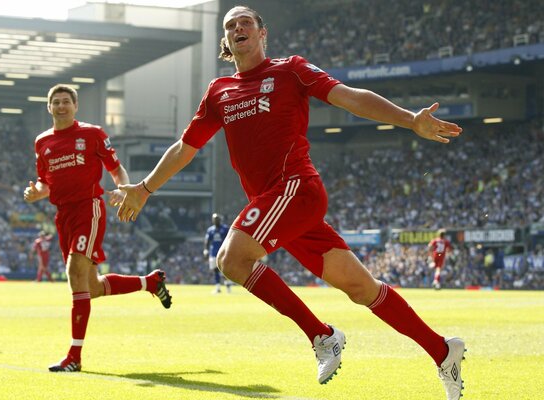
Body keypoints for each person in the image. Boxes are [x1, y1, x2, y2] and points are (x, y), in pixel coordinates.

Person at [117, 6, 465, 399]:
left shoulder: (290, 70)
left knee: (231, 259)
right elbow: (186, 147)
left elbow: (349, 97)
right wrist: (143, 188)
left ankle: (322, 336)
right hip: (276, 205)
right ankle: (442, 350)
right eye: (230, 25)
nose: (237, 27)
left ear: (262, 33)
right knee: (360, 288)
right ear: (227, 42)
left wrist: (409, 119)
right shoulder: (219, 92)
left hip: (295, 189)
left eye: (245, 21)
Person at [23, 84, 172, 373]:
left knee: (74, 271)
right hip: (62, 214)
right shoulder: (42, 142)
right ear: (49, 107)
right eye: (56, 102)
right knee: (90, 288)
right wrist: (35, 193)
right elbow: (45, 182)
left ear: (75, 106)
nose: (61, 106)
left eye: (66, 101)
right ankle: (150, 282)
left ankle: (74, 357)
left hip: (88, 209)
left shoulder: (92, 134)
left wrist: (122, 190)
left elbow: (116, 169)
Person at [204, 213, 232, 293]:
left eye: (217, 219)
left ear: (220, 219)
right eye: (214, 219)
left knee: (225, 270)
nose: (216, 220)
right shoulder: (210, 230)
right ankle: (218, 287)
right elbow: (207, 241)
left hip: (223, 252)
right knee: (215, 270)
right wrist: (205, 250)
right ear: (212, 220)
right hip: (213, 252)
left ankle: (228, 286)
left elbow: (230, 239)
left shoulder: (225, 228)